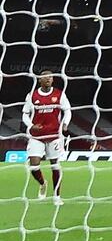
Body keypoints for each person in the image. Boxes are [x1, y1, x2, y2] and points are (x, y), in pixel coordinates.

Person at [22, 71, 70, 206]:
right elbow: (25, 114)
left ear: (53, 80)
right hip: (37, 136)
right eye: (45, 77)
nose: (48, 79)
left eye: (50, 77)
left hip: (54, 135)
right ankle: (43, 183)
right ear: (39, 80)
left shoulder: (59, 94)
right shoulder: (32, 95)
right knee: (33, 166)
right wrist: (31, 125)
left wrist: (65, 123)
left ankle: (57, 196)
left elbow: (68, 110)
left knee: (55, 165)